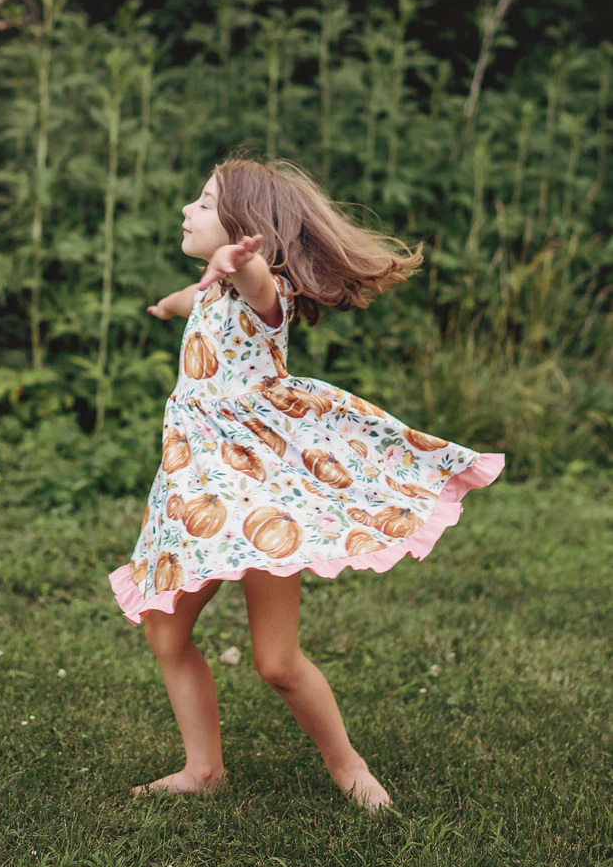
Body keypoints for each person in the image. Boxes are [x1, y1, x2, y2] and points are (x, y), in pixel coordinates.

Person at [108, 152, 505, 813]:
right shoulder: (211, 289)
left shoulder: (266, 295)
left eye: (203, 203)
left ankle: (350, 768)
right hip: (194, 490)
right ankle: (203, 769)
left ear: (243, 228)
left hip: (259, 496)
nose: (187, 209)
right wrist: (171, 302)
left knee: (277, 661)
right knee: (165, 634)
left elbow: (260, 287)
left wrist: (245, 262)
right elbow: (192, 301)